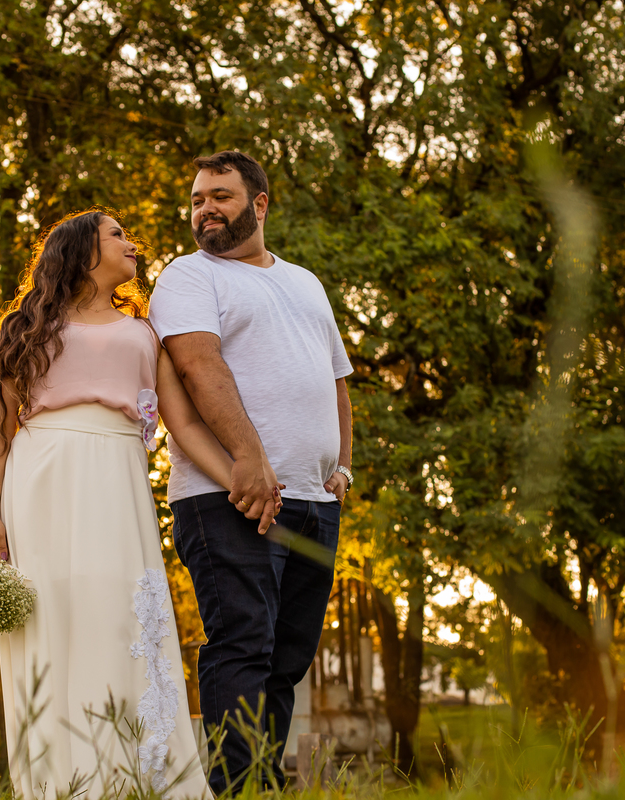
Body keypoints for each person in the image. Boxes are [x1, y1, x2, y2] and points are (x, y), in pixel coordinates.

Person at [0, 210, 228, 800]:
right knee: (51, 618)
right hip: (40, 479)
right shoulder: (21, 329)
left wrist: (238, 478)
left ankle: (137, 778)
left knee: (119, 614)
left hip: (117, 478)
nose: (131, 243)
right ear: (82, 250)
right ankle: (56, 783)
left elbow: (182, 423)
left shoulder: (144, 332)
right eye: (117, 234)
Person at [148, 151, 354, 793]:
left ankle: (262, 783)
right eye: (197, 200)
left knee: (288, 657)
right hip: (227, 498)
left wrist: (343, 462)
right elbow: (199, 366)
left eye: (221, 197)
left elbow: (337, 380)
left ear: (259, 204)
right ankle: (236, 789)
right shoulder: (188, 276)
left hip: (314, 503)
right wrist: (250, 460)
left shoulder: (306, 283)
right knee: (243, 644)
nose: (205, 209)